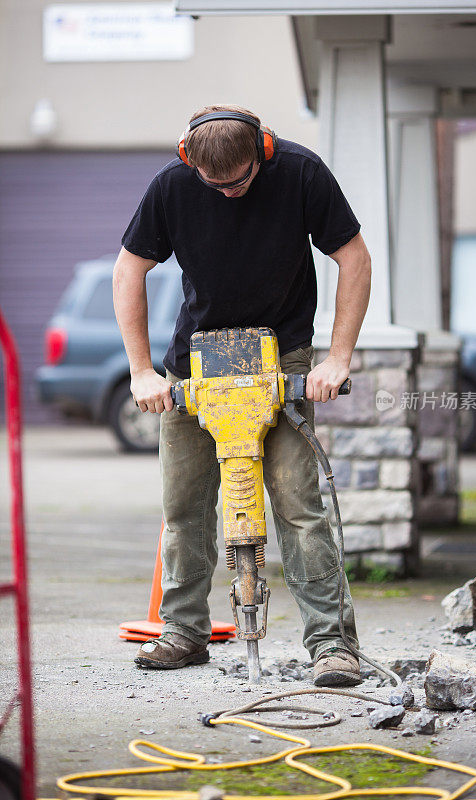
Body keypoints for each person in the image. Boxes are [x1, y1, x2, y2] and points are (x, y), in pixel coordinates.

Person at [113, 104, 371, 687]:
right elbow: (129, 270)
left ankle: (331, 646)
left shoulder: (302, 173)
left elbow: (353, 259)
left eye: (240, 181)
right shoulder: (171, 187)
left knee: (299, 506)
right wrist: (141, 371)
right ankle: (183, 632)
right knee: (184, 507)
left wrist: (336, 360)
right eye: (215, 184)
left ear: (264, 152)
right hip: (194, 368)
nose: (229, 192)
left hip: (281, 358)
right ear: (189, 160)